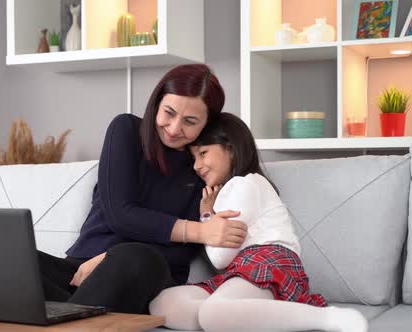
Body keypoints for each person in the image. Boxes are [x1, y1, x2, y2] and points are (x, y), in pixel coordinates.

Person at [36, 64, 248, 314]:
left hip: (145, 276)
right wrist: (200, 231)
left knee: (136, 258)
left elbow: (180, 255)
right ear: (156, 103)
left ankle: (67, 315)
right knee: (6, 260)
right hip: (80, 271)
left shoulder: (203, 165)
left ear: (207, 124)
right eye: (169, 113)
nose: (174, 128)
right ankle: (73, 315)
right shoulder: (125, 130)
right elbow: (120, 215)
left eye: (190, 121)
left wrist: (110, 258)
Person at [149, 113, 368, 332]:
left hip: (269, 262)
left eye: (203, 153)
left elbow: (220, 258)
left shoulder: (245, 184)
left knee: (212, 313)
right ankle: (247, 316)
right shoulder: (230, 190)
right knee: (162, 303)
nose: (196, 165)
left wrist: (207, 216)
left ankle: (327, 318)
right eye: (193, 157)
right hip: (240, 271)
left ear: (231, 149)